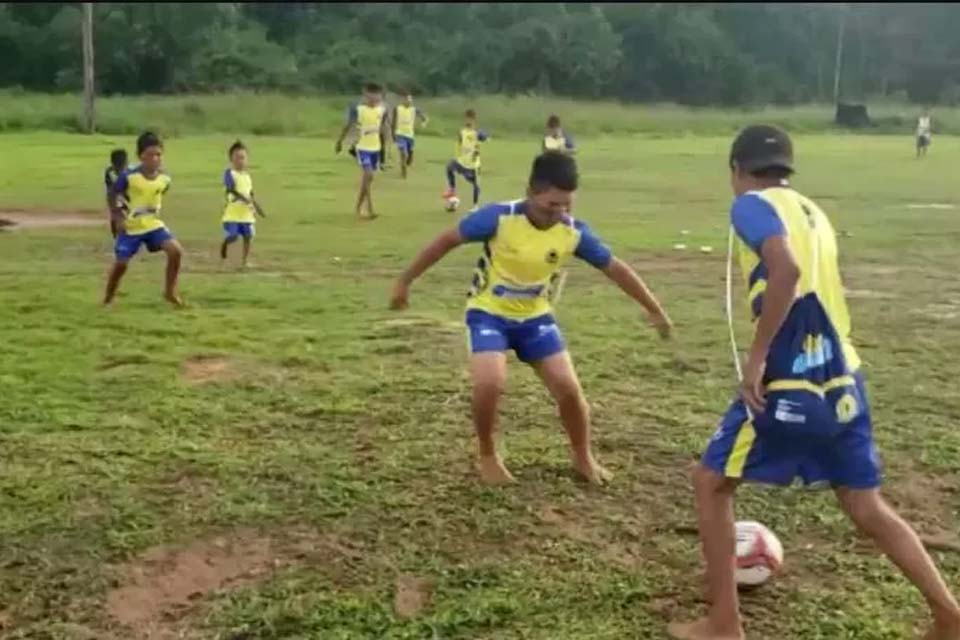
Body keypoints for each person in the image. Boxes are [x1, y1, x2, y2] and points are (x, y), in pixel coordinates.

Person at [668, 125, 960, 640]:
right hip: (844, 374)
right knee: (866, 505)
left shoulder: (751, 205)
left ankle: (724, 622)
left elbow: (786, 271)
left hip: (792, 379)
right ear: (787, 169)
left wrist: (756, 361)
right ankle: (948, 614)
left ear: (736, 170)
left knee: (710, 484)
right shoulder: (814, 211)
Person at [391, 151, 673, 486]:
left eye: (566, 205)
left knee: (569, 389)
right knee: (489, 382)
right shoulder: (498, 218)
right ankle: (487, 455)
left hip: (536, 319)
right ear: (530, 191)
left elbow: (615, 269)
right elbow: (445, 242)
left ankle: (583, 456)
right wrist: (405, 281)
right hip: (488, 314)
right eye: (550, 205)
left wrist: (654, 309)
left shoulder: (573, 233)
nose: (558, 214)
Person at [103, 131, 184, 307]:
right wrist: (117, 217)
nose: (155, 159)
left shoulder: (165, 178)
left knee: (176, 251)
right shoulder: (129, 176)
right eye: (150, 155)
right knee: (121, 265)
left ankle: (170, 292)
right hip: (131, 227)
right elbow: (112, 193)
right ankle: (108, 299)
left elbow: (159, 193)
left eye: (158, 154)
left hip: (153, 224)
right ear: (141, 156)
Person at [335, 82, 389, 220]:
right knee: (369, 175)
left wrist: (387, 142)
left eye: (377, 97)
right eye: (371, 97)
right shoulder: (358, 109)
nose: (374, 100)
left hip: (375, 148)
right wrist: (340, 141)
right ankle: (369, 208)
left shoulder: (382, 109)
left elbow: (383, 126)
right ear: (365, 95)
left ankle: (359, 207)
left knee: (368, 179)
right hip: (362, 147)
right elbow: (348, 125)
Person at [220, 140, 267, 269]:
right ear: (231, 159)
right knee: (233, 236)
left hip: (246, 213)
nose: (241, 161)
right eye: (237, 157)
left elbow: (251, 194)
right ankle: (225, 244)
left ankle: (245, 261)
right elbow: (231, 189)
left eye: (243, 158)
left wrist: (257, 207)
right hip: (233, 213)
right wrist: (243, 198)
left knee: (248, 236)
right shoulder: (229, 173)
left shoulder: (247, 176)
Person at [443, 109, 488, 210]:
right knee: (450, 166)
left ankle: (475, 206)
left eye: (470, 119)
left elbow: (484, 137)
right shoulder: (462, 132)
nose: (468, 121)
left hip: (473, 165)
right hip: (462, 162)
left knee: (476, 184)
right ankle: (452, 190)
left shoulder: (477, 133)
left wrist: (484, 137)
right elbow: (459, 143)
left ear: (474, 120)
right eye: (467, 119)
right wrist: (459, 155)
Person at [392, 90, 428, 179]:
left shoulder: (414, 109)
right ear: (402, 100)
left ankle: (409, 158)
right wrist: (393, 133)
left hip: (410, 135)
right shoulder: (397, 109)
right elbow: (393, 122)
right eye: (407, 99)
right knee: (403, 153)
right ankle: (403, 173)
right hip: (400, 134)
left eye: (410, 99)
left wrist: (424, 123)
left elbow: (424, 118)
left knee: (409, 156)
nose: (409, 101)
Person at [104, 148, 128, 238]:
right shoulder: (111, 172)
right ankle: (117, 236)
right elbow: (113, 189)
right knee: (116, 215)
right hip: (115, 197)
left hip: (125, 197)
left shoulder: (129, 171)